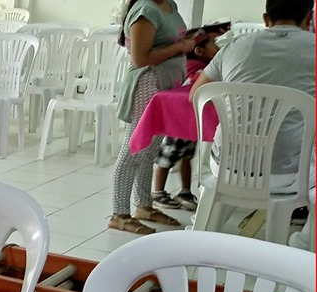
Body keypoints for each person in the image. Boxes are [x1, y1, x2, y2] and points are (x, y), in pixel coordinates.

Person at [189, 0, 315, 204]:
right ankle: (301, 224)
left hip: (225, 167)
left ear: (266, 19)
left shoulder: (235, 46)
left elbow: (196, 93)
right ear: (309, 18)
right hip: (288, 175)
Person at [110, 0, 200, 235]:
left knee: (150, 151)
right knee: (134, 149)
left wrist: (193, 40)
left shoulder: (168, 5)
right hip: (148, 82)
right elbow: (140, 58)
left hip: (166, 85)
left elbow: (167, 40)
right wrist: (181, 46)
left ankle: (144, 206)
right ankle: (119, 214)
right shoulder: (145, 10)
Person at [150, 31, 222, 212]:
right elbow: (198, 82)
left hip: (190, 122)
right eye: (213, 43)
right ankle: (158, 193)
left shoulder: (203, 66)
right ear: (199, 51)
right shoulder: (194, 68)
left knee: (187, 156)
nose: (218, 47)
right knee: (168, 156)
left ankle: (185, 191)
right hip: (179, 121)